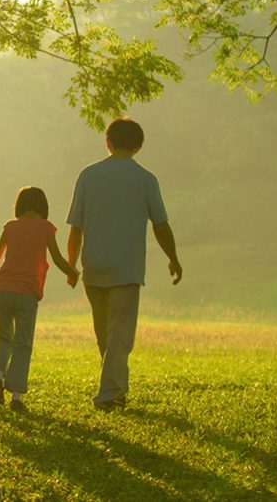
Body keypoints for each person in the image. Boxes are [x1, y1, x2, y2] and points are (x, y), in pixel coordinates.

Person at [66, 117, 182, 410]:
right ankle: (109, 394)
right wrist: (173, 258)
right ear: (138, 146)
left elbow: (75, 227)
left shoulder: (88, 176)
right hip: (126, 268)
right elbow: (160, 224)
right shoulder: (145, 178)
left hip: (94, 266)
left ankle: (117, 389)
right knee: (119, 336)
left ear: (107, 141)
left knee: (104, 335)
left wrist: (71, 264)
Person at [0, 186, 78, 412]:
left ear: (20, 207)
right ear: (43, 207)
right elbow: (56, 258)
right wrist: (72, 273)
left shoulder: (11, 227)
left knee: (4, 338)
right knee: (22, 344)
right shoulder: (45, 228)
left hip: (3, 289)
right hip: (27, 293)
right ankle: (16, 397)